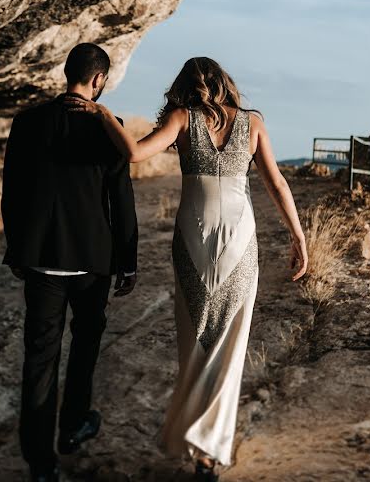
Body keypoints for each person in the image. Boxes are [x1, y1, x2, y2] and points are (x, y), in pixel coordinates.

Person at [65, 56, 308, 481]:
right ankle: (208, 453)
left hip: (192, 241)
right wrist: (298, 236)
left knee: (193, 342)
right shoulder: (252, 123)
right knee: (229, 345)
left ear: (185, 85)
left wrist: (103, 113)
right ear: (223, 82)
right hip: (240, 241)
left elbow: (136, 153)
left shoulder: (181, 117)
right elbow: (276, 183)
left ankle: (199, 443)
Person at [1, 42, 139, 482]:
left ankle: (41, 465)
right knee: (85, 347)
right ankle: (74, 424)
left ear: (67, 73)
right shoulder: (109, 128)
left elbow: (12, 194)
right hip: (92, 264)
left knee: (39, 361)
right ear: (98, 80)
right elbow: (121, 201)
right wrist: (128, 261)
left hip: (40, 262)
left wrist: (18, 249)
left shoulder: (27, 122)